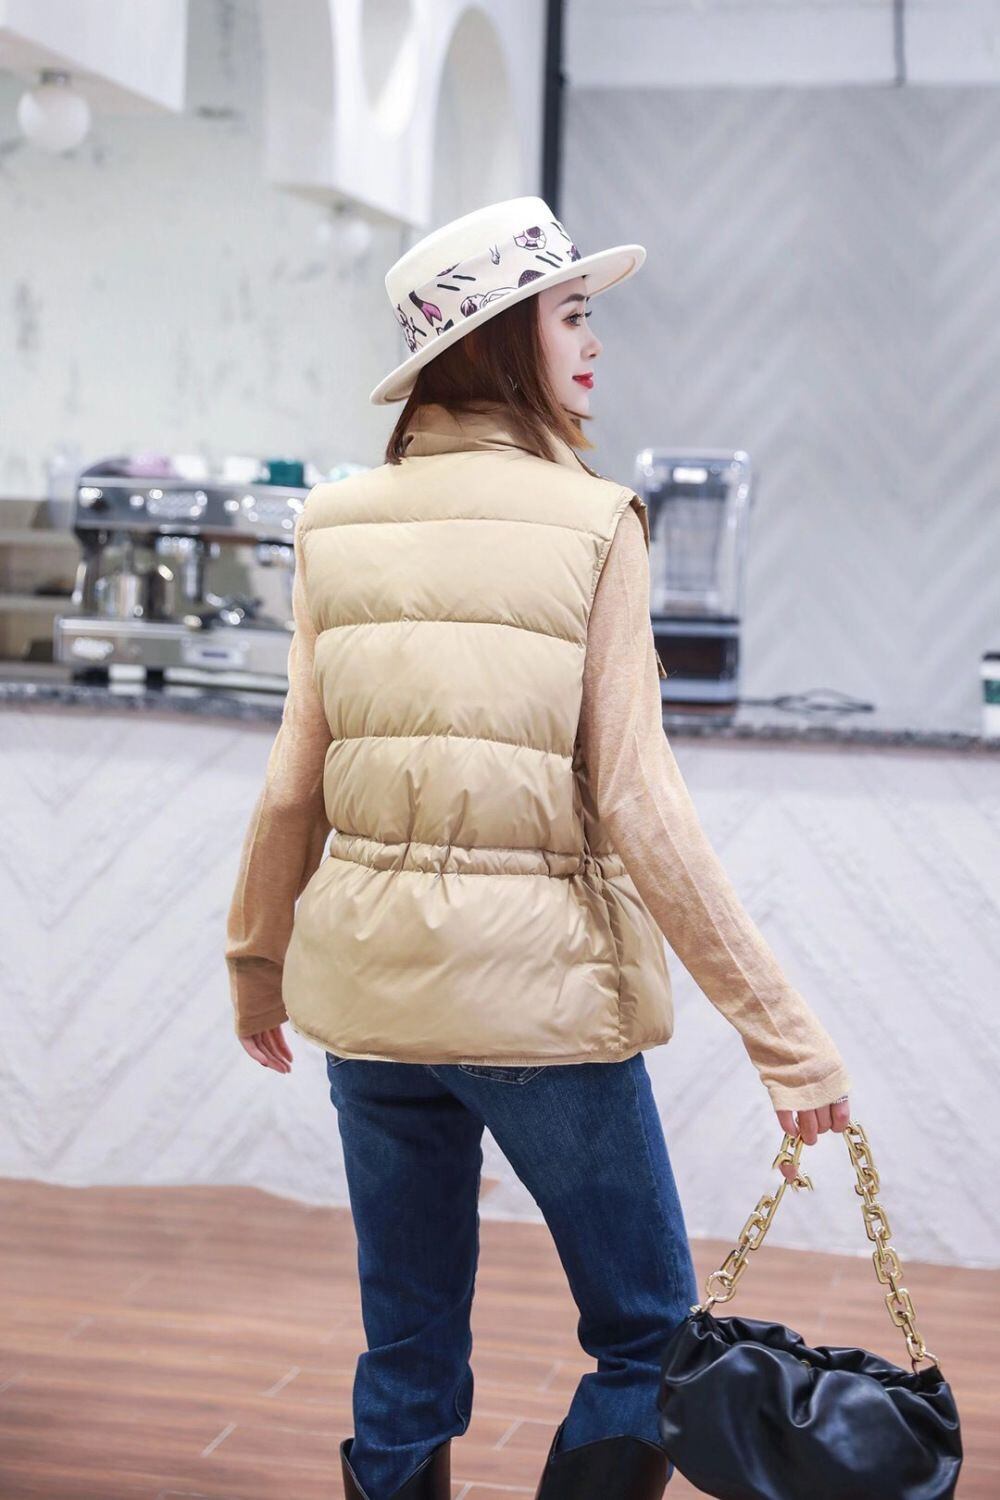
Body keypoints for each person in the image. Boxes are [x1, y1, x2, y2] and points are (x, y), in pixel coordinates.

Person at [225, 196, 852, 1500]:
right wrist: (786, 1036)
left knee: (406, 1339)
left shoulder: (334, 522)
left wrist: (257, 962)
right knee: (651, 1338)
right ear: (502, 338)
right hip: (541, 1005)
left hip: (370, 1001)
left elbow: (292, 785)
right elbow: (642, 806)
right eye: (572, 314)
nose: (595, 343)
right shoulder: (594, 522)